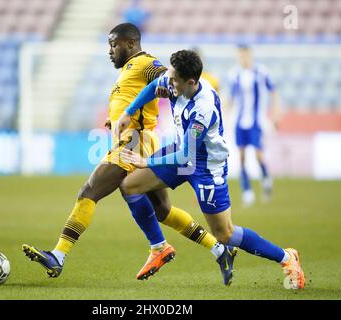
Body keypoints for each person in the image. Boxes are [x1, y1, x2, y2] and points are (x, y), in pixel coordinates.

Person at [22, 23, 236, 284]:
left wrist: (166, 87)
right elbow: (134, 99)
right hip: (135, 140)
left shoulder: (144, 63)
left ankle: (59, 254)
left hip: (135, 143)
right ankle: (217, 249)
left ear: (131, 44)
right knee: (162, 211)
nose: (110, 51)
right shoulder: (127, 70)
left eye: (114, 45)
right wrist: (116, 119)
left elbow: (163, 75)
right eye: (109, 45)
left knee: (89, 191)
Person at [116, 50, 305, 290]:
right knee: (130, 186)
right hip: (182, 151)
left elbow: (187, 155)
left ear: (191, 82)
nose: (169, 82)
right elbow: (155, 85)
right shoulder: (177, 80)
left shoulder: (202, 109)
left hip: (206, 166)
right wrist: (129, 111)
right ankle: (159, 247)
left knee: (225, 234)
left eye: (174, 80)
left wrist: (147, 162)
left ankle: (287, 257)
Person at [228, 44, 281, 206]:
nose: (242, 59)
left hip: (256, 121)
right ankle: (247, 191)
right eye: (240, 56)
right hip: (239, 121)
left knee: (258, 155)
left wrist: (276, 114)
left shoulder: (261, 72)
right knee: (242, 157)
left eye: (245, 55)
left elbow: (274, 92)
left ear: (250, 56)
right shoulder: (234, 74)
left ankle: (266, 178)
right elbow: (231, 98)